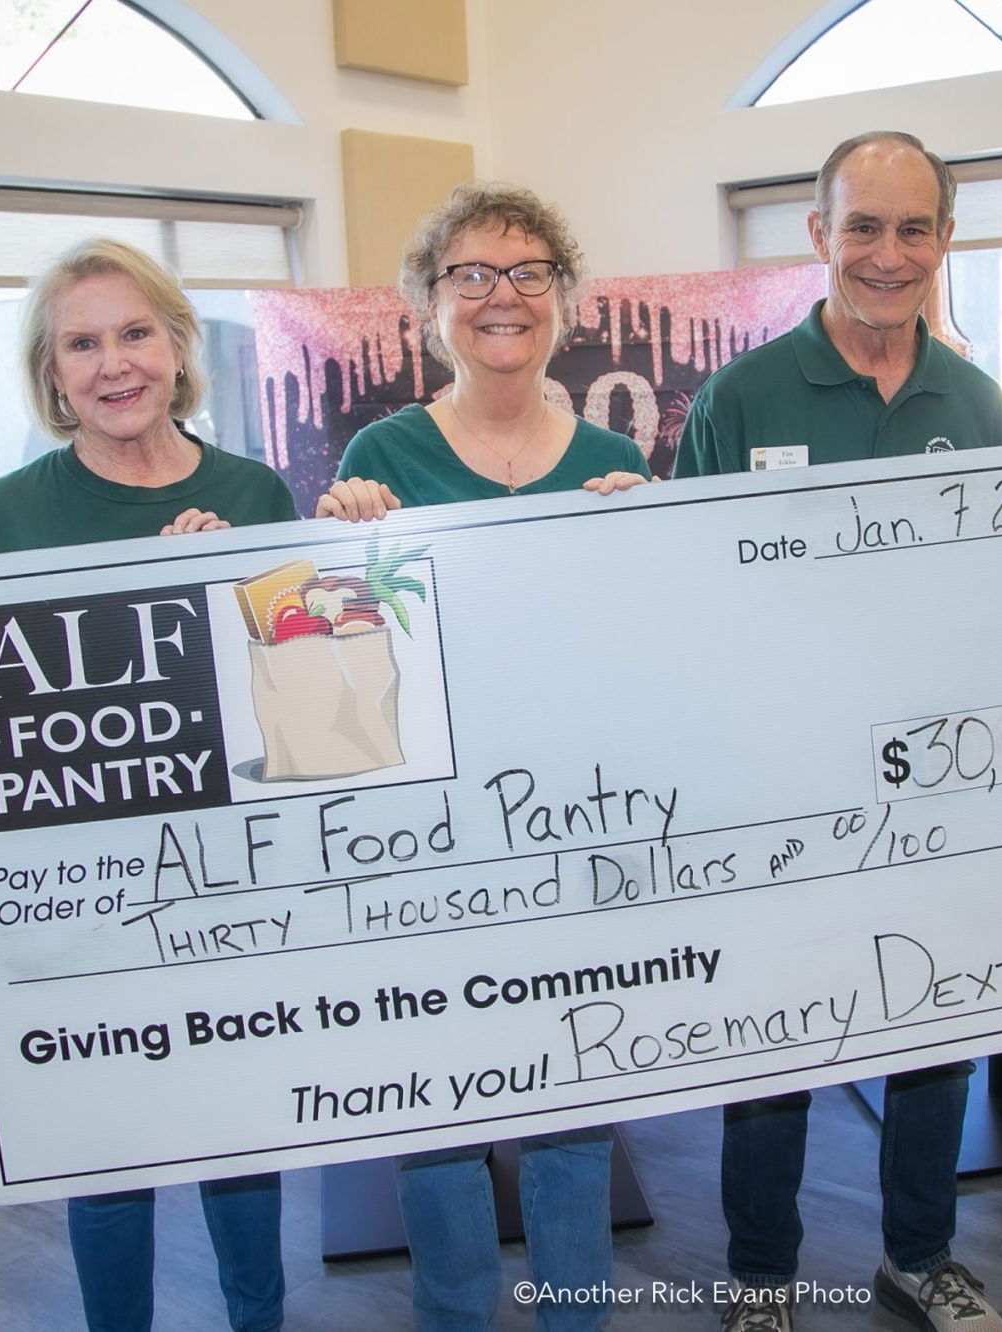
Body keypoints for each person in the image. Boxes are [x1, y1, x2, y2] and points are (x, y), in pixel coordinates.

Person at [675, 130, 1002, 1332]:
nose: (886, 255)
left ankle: (920, 1254)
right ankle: (759, 1279)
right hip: (781, 782)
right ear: (817, 236)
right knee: (773, 1044)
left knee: (939, 1018)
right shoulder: (741, 398)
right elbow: (683, 594)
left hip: (933, 782)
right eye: (861, 226)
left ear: (944, 241)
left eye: (911, 229)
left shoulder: (975, 398)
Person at [0, 237, 295, 1332]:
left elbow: (304, 722)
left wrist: (211, 595)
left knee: (241, 1144)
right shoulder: (3, 520)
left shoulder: (255, 492)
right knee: (106, 1165)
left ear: (176, 346)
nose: (113, 363)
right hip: (77, 911)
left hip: (233, 895)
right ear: (51, 370)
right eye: (82, 342)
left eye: (135, 333)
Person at [316, 182, 647, 1331]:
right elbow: (348, 662)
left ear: (565, 301)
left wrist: (647, 537)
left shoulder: (613, 455)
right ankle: (453, 1313)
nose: (500, 297)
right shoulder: (382, 454)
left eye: (526, 274)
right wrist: (343, 536)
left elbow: (650, 658)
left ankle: (575, 1313)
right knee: (439, 1111)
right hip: (433, 840)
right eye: (469, 275)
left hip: (577, 824)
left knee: (571, 1100)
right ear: (427, 306)